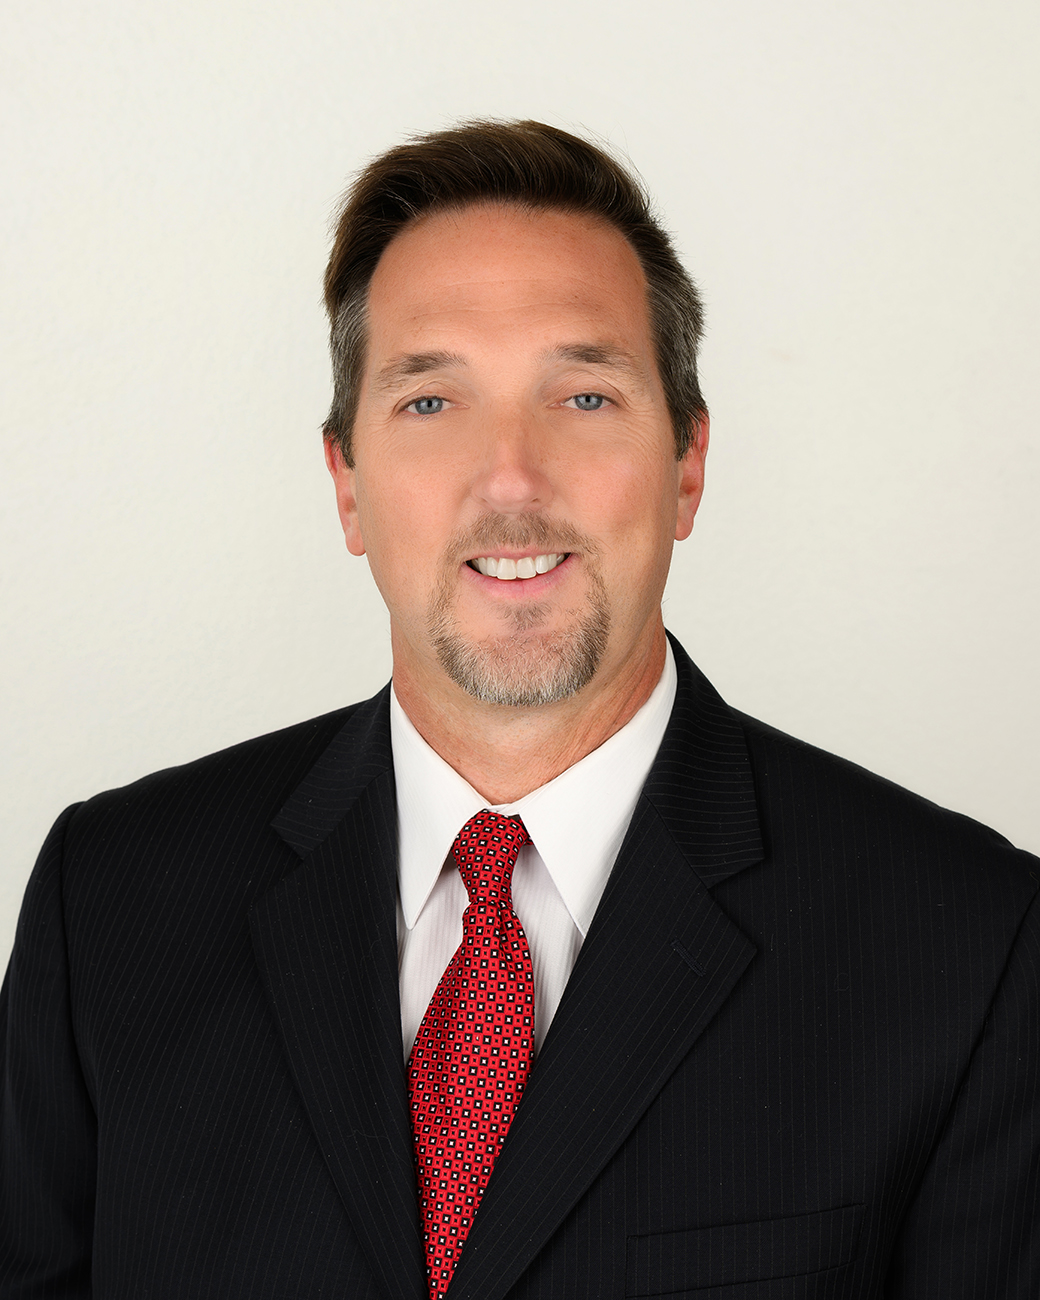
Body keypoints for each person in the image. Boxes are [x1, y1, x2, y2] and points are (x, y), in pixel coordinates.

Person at [1, 120, 1037, 1300]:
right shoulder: (113, 903)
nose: (509, 478)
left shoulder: (964, 944)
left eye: (583, 397)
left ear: (687, 464)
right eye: (430, 402)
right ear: (345, 483)